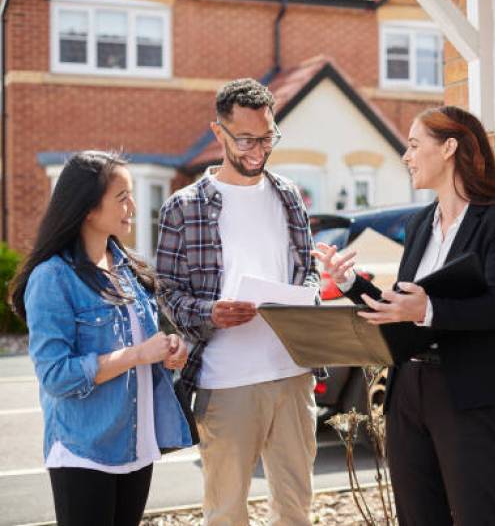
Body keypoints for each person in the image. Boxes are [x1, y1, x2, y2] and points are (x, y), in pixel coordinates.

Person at [313, 105, 495, 526]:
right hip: (407, 389)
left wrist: (426, 308)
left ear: (449, 148)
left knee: (477, 516)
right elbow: (399, 307)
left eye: (414, 145)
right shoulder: (418, 225)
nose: (406, 156)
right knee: (416, 516)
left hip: (468, 391)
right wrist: (352, 283)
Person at [156, 78, 321, 526]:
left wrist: (306, 293)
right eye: (246, 139)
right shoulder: (183, 207)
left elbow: (308, 268)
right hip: (226, 381)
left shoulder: (289, 197)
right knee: (226, 512)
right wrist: (210, 313)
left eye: (267, 137)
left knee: (296, 511)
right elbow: (167, 294)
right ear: (219, 133)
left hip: (293, 374)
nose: (259, 149)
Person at [9, 150, 193, 526]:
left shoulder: (128, 269)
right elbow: (56, 375)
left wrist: (168, 352)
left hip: (136, 445)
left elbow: (143, 346)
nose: (133, 207)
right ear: (88, 208)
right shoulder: (52, 278)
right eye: (122, 197)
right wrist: (136, 355)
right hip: (85, 448)